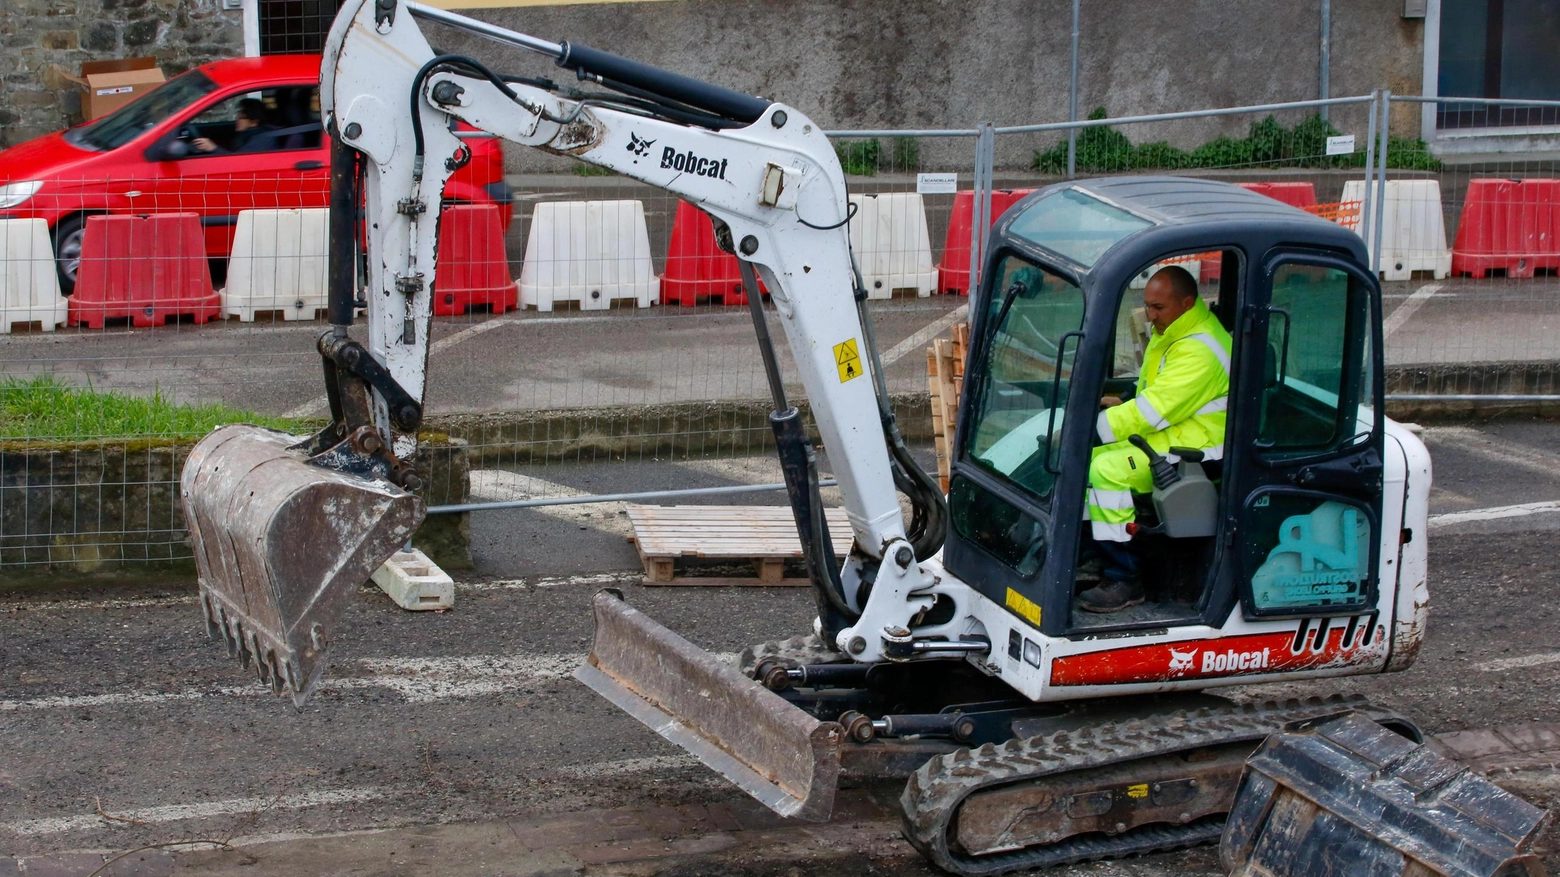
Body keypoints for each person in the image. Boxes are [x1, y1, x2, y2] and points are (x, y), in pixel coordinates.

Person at [1076, 264, 1231, 613]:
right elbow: (1154, 392)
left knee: (1108, 470)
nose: (1149, 315)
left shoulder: (1200, 351)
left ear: (1187, 302)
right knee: (1089, 461)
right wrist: (1123, 400)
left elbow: (1154, 411)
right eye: (1148, 306)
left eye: (1157, 308)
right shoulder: (1178, 331)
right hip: (1178, 430)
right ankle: (1094, 552)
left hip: (1199, 448)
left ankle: (1126, 577)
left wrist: (1092, 428)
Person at [192, 98, 273, 154]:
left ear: (253, 122)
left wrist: (214, 148)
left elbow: (237, 162)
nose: (237, 119)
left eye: (241, 117)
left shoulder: (260, 141)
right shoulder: (248, 135)